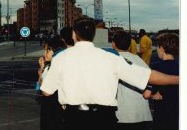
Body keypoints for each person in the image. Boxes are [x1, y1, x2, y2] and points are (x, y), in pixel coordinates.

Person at [40, 18, 179, 130]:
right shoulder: (111, 58)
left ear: (74, 35)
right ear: (93, 35)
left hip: (74, 118)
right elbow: (148, 76)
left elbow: (46, 91)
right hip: (104, 119)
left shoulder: (61, 58)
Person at [111, 31, 152, 130]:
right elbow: (149, 79)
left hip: (123, 114)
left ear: (113, 44)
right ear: (129, 45)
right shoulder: (138, 59)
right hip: (141, 113)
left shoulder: (113, 60)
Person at [143, 32, 179, 130]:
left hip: (162, 114)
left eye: (158, 47)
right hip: (178, 114)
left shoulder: (156, 68)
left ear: (162, 48)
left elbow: (146, 94)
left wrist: (152, 96)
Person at [37, 38, 66, 130]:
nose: (44, 53)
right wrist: (41, 69)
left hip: (56, 107)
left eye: (48, 50)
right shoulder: (48, 67)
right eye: (45, 50)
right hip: (47, 107)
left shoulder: (57, 67)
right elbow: (39, 88)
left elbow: (45, 91)